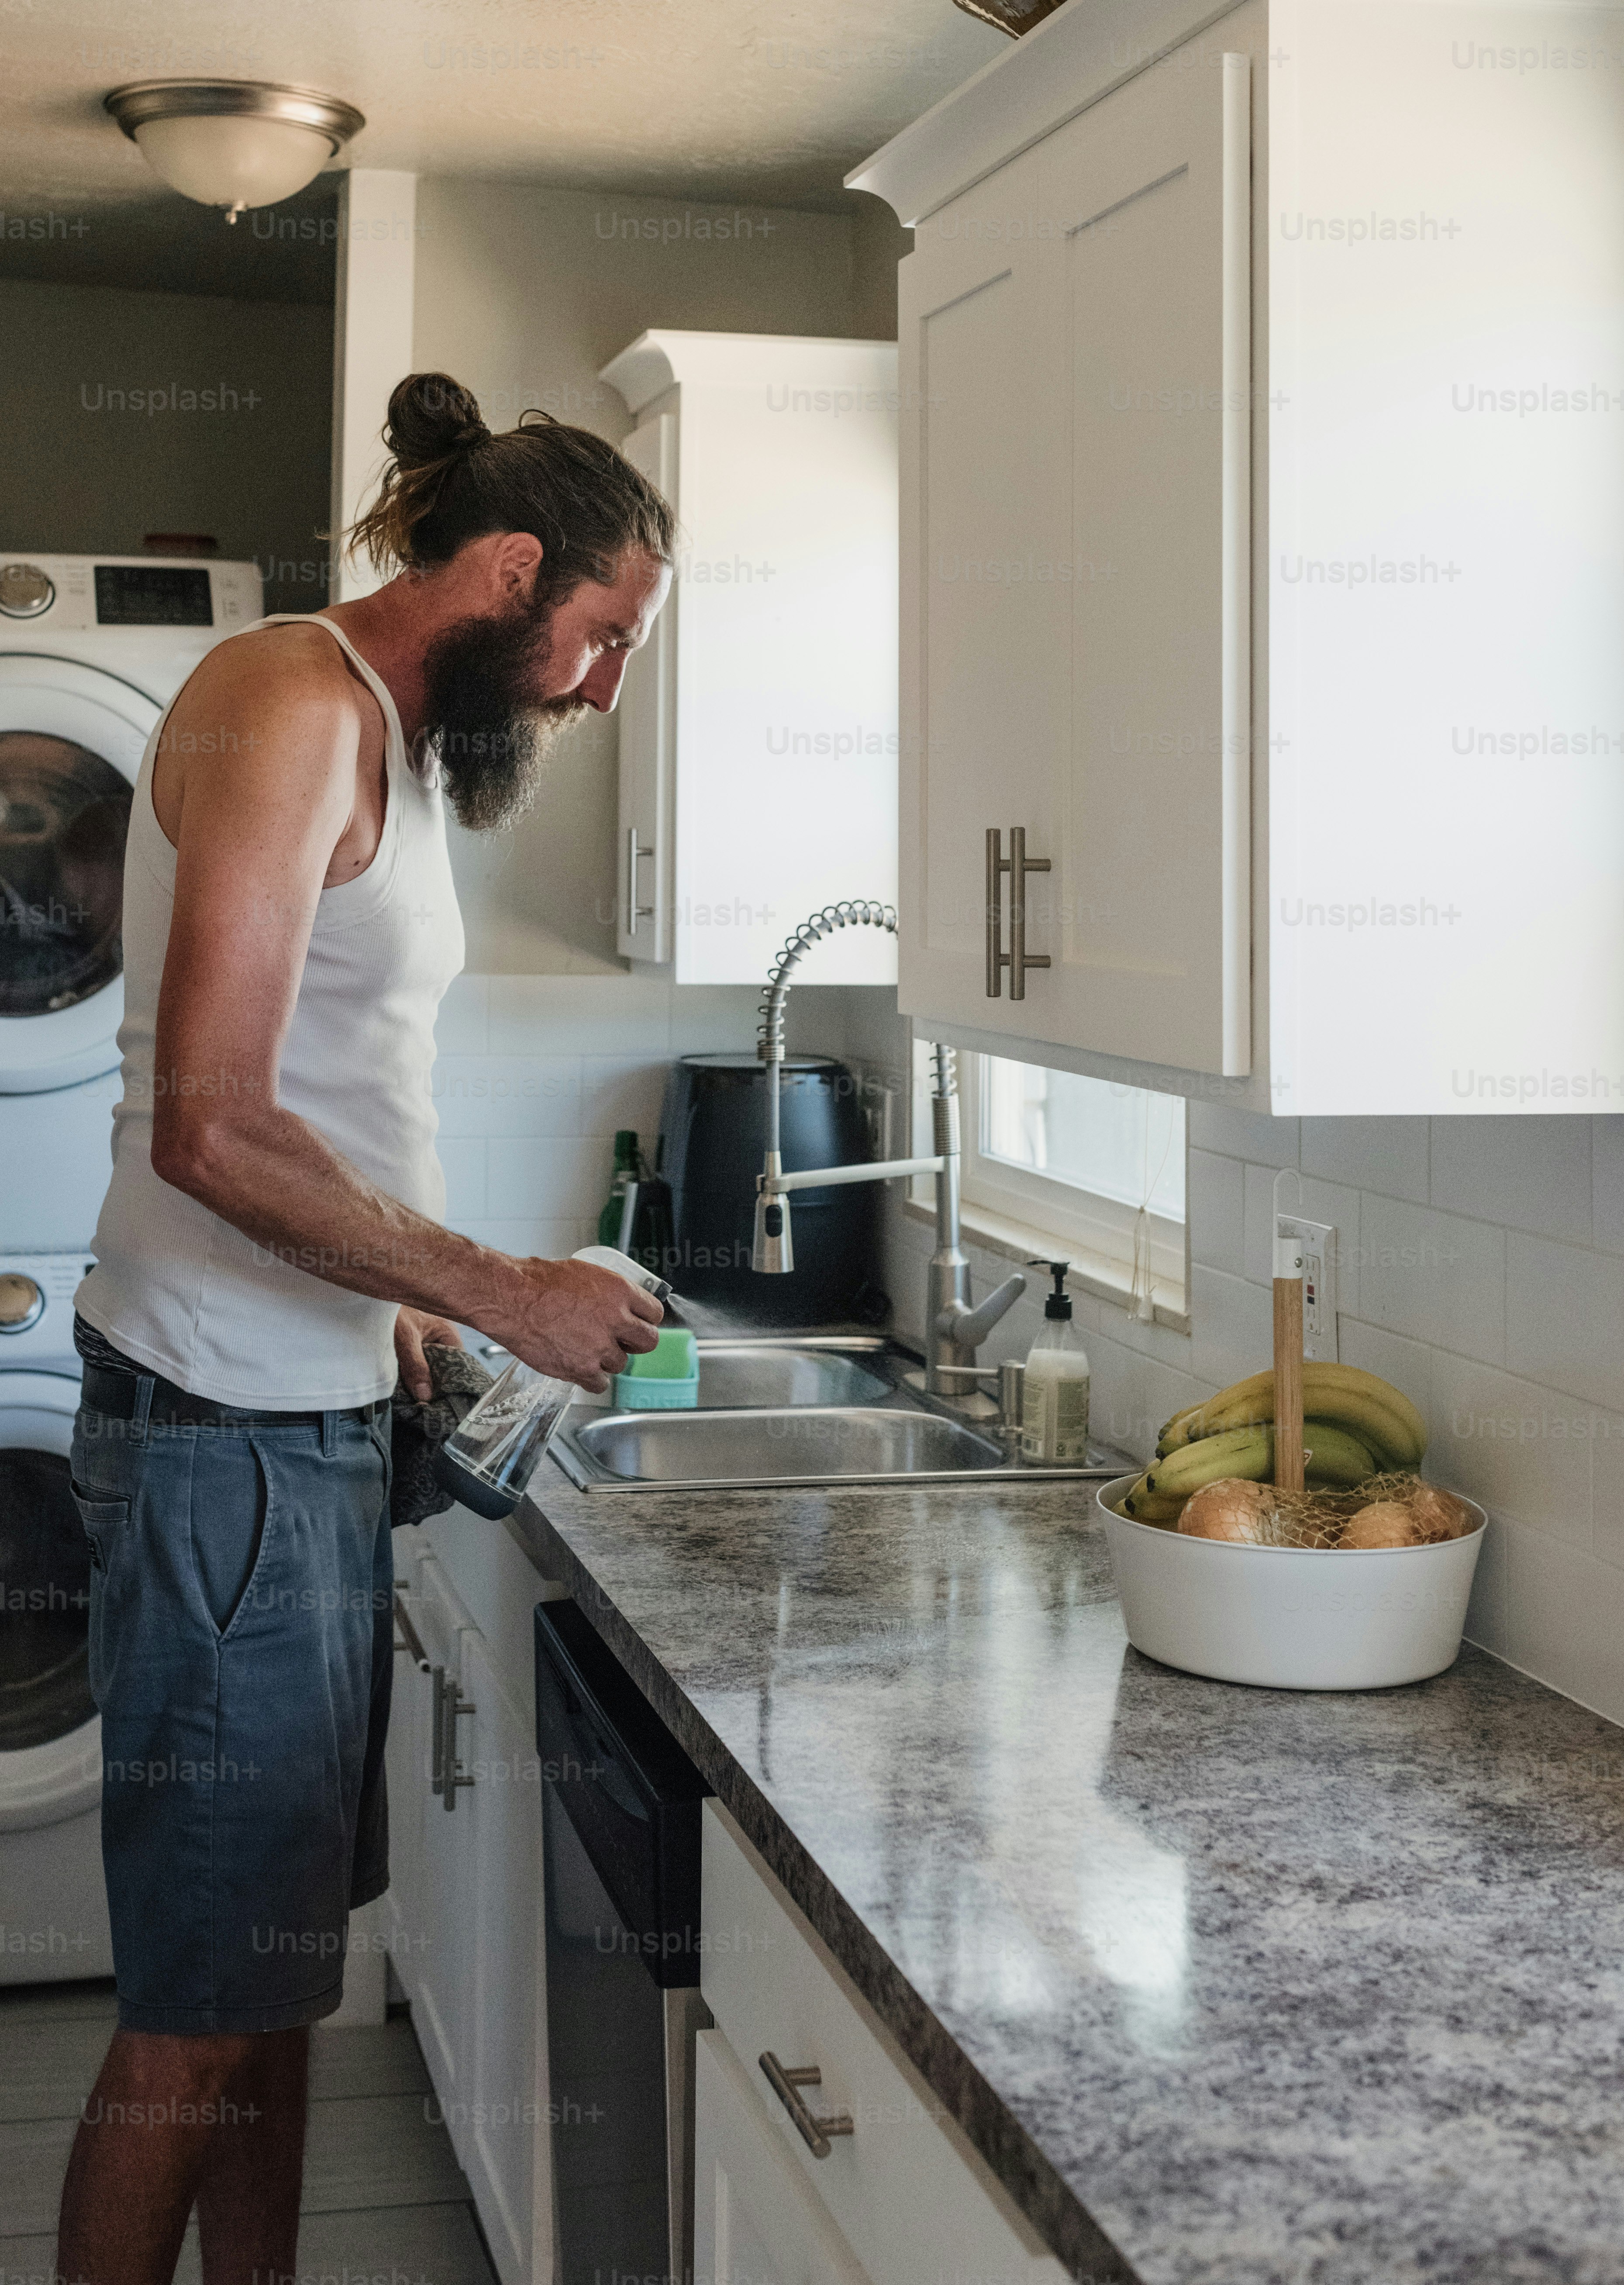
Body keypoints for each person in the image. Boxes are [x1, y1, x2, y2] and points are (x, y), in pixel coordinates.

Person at [55, 372, 675, 2285]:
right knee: (193, 2012)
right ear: (504, 569)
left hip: (309, 1418)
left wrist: (402, 1325)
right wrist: (502, 1286)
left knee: (276, 1987)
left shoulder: (393, 741)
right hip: (219, 1443)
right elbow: (214, 1119)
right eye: (598, 637)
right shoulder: (283, 703)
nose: (598, 693)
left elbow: (333, 1084)